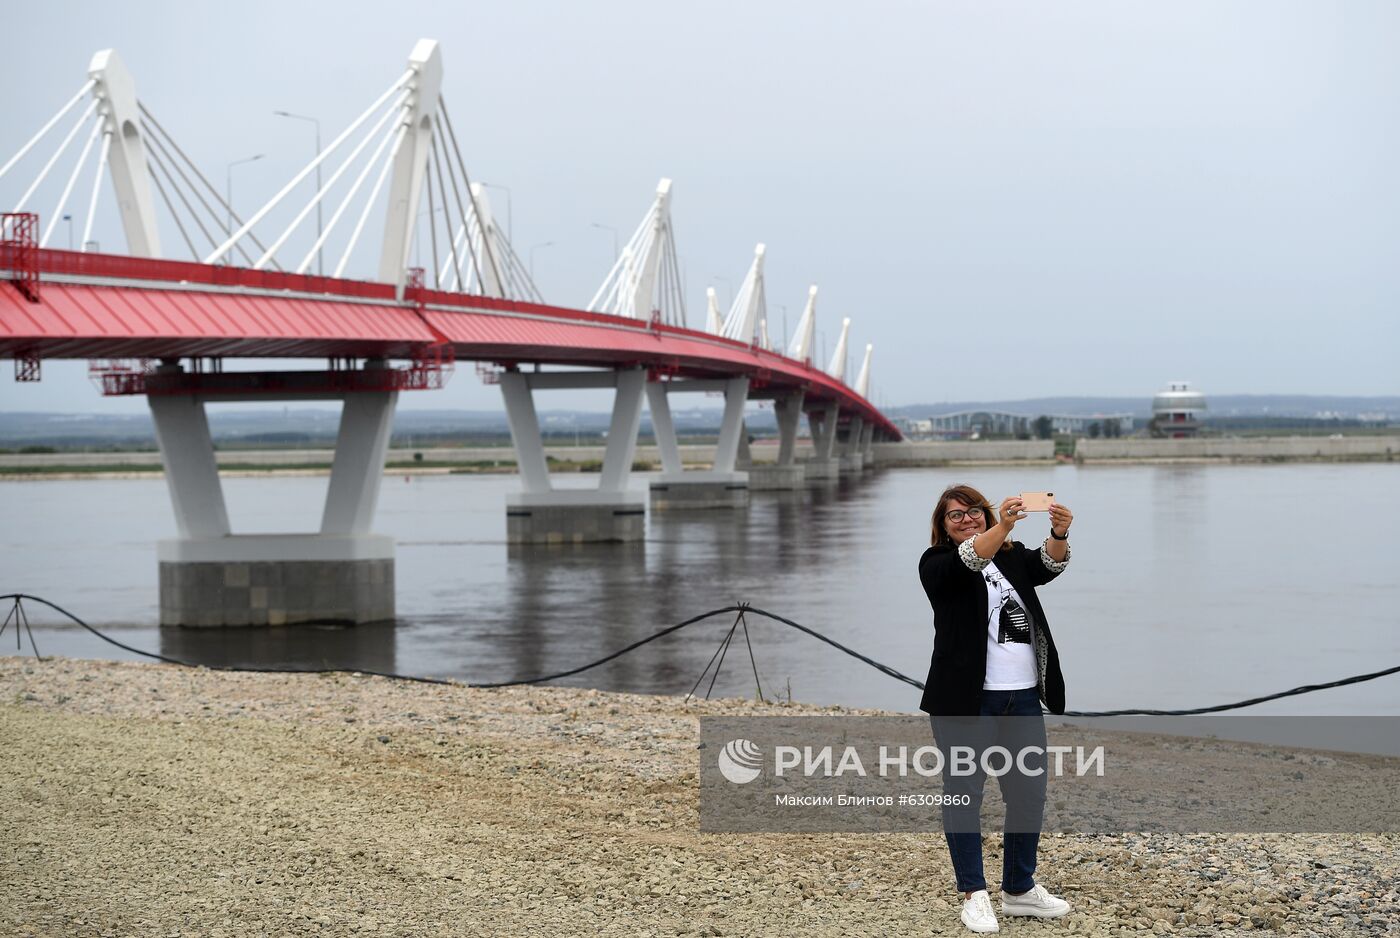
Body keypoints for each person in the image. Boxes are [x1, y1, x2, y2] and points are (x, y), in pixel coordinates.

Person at [917, 483, 1075, 934]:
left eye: (973, 511)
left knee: (1028, 793)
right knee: (964, 793)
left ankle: (1019, 889)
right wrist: (1001, 523)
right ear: (943, 527)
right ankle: (974, 893)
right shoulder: (938, 564)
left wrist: (1059, 534)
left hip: (1022, 696)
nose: (966, 518)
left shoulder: (1009, 555)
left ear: (984, 514)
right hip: (966, 702)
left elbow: (1046, 566)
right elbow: (971, 558)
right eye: (955, 515)